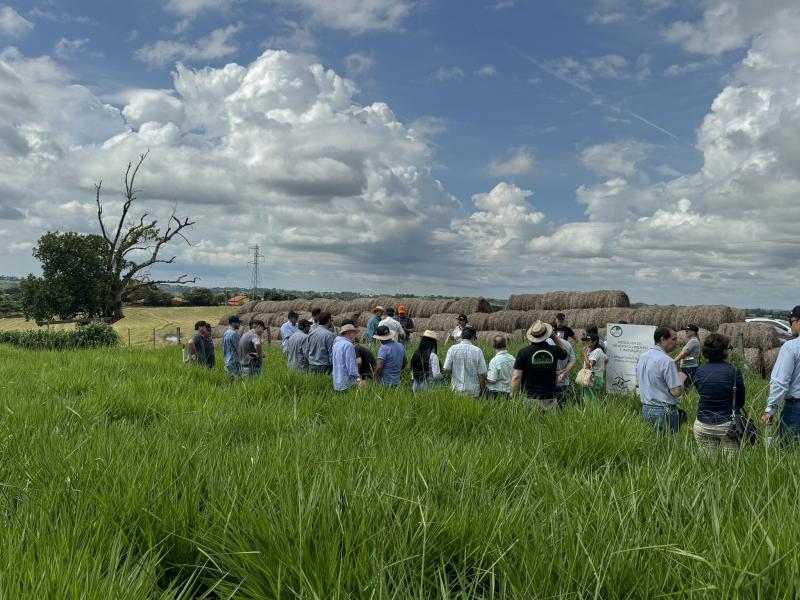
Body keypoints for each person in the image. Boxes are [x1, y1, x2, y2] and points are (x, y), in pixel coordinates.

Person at [693, 333, 746, 455]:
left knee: (707, 465)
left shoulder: (699, 371)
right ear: (724, 351)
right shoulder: (734, 371)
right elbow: (741, 401)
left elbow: (701, 392)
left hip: (703, 424)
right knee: (731, 468)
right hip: (728, 426)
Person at [636, 326, 686, 434]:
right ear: (663, 339)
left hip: (646, 408)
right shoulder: (667, 361)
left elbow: (639, 383)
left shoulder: (642, 356)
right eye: (673, 339)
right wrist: (681, 379)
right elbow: (676, 392)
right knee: (668, 447)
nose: (676, 343)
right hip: (664, 410)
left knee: (652, 445)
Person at [510, 320, 568, 411]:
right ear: (547, 335)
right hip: (550, 397)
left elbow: (516, 377)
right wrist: (554, 336)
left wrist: (513, 397)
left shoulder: (523, 352)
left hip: (529, 398)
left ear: (532, 336)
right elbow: (565, 352)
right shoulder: (555, 350)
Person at [762, 306, 800, 443]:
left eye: (791, 321)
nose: (790, 326)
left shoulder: (791, 347)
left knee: (791, 453)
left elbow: (781, 381)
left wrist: (770, 409)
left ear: (799, 322)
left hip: (796, 408)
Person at [443, 325, 487, 397]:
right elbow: (482, 374)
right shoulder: (478, 351)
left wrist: (452, 377)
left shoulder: (452, 349)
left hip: (456, 390)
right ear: (473, 337)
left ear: (462, 336)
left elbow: (446, 369)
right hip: (473, 391)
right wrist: (483, 392)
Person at [332, 324, 362, 392]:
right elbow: (351, 365)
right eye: (354, 334)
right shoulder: (348, 345)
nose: (355, 336)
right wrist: (358, 378)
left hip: (337, 381)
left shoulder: (336, 344)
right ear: (349, 334)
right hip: (347, 383)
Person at [548, 334, 576, 407]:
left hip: (549, 381)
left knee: (549, 406)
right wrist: (564, 372)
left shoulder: (545, 343)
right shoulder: (567, 343)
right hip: (563, 380)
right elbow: (572, 360)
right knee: (562, 404)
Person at [674, 324, 701, 391]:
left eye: (687, 331)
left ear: (693, 332)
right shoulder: (692, 341)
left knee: (686, 387)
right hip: (689, 367)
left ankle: (686, 400)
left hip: (689, 367)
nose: (685, 332)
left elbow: (683, 354)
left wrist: (673, 361)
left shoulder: (693, 341)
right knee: (690, 385)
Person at [581, 333, 606, 401]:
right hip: (592, 377)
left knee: (590, 401)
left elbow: (589, 366)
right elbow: (606, 359)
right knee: (590, 400)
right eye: (586, 340)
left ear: (595, 342)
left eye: (589, 340)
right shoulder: (594, 351)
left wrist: (584, 354)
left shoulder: (597, 351)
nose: (587, 342)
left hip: (594, 378)